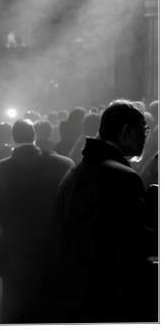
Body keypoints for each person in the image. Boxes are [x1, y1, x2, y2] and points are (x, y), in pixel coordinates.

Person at [45, 100, 154, 322]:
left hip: (74, 291)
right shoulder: (124, 177)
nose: (146, 137)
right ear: (126, 132)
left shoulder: (77, 170)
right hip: (109, 295)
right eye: (143, 130)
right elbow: (133, 243)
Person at [0, 119, 73, 323]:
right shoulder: (63, 164)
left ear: (13, 138)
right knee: (49, 312)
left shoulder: (1, 169)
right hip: (51, 252)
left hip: (15, 257)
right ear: (34, 135)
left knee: (16, 313)